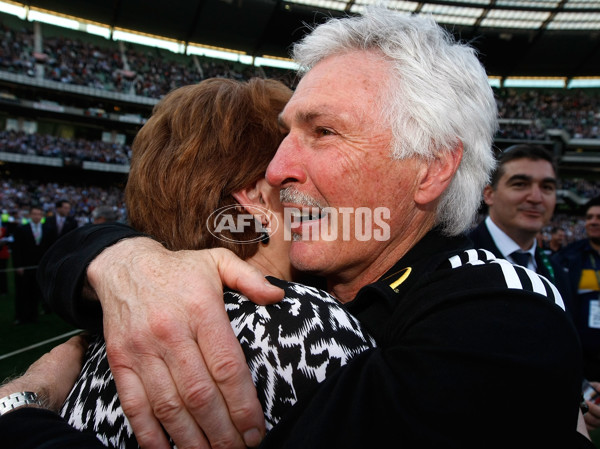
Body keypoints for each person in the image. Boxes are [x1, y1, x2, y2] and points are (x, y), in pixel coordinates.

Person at [28, 8, 588, 449]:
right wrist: (125, 262)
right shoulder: (299, 279)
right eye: (285, 134)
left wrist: (18, 411)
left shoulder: (503, 318)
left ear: (431, 167)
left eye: (322, 131)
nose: (275, 169)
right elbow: (74, 253)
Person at [8, 77, 375, 449]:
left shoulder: (114, 332)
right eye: (294, 174)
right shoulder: (297, 322)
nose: (311, 190)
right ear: (256, 197)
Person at [468, 144, 572, 306]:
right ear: (489, 195)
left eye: (547, 187)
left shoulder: (559, 275)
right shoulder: (455, 260)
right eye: (520, 184)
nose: (536, 198)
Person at [12, 205, 53, 324]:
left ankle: (33, 315)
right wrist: (18, 265)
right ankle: (20, 316)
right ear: (30, 215)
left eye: (39, 214)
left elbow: (49, 249)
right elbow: (17, 249)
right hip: (25, 266)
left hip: (39, 267)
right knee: (22, 291)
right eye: (34, 214)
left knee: (35, 292)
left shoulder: (47, 229)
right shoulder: (21, 229)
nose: (37, 216)